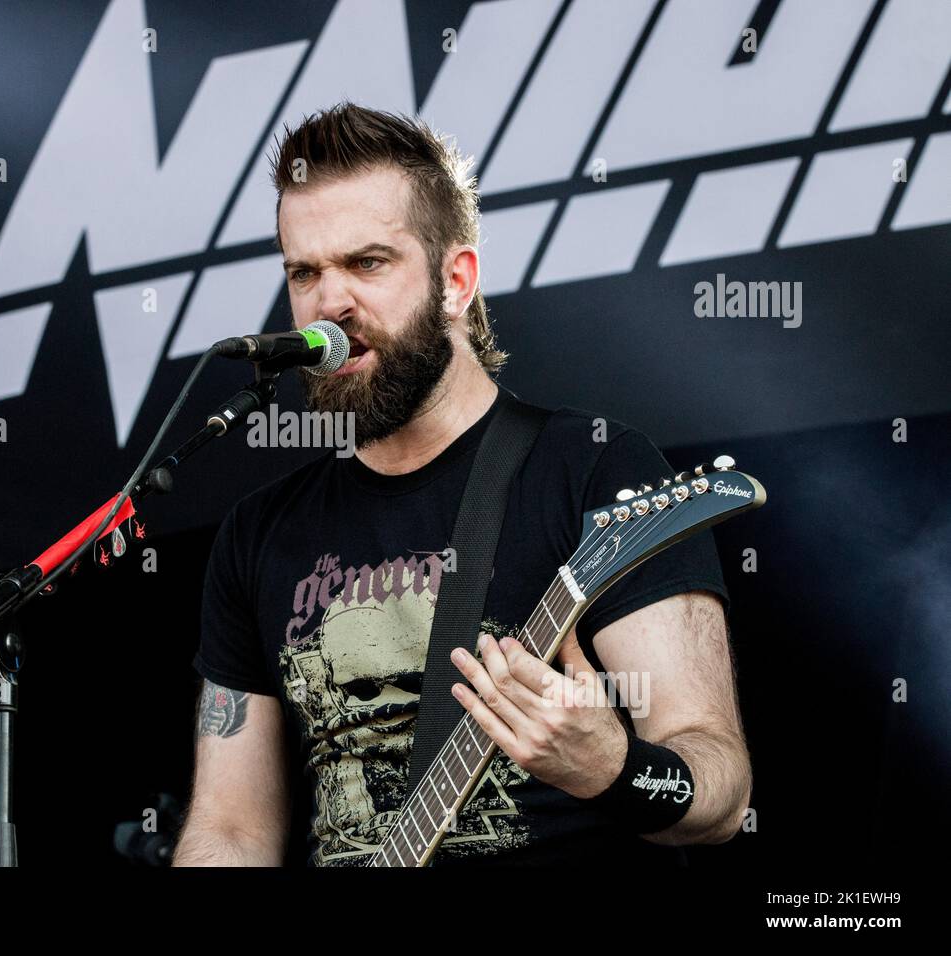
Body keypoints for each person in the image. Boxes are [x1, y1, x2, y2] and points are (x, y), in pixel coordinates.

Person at [172, 102, 750, 867]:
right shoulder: (259, 533)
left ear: (456, 280)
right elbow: (231, 828)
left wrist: (613, 767)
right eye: (305, 272)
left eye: (368, 263)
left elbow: (719, 788)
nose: (329, 303)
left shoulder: (597, 470)